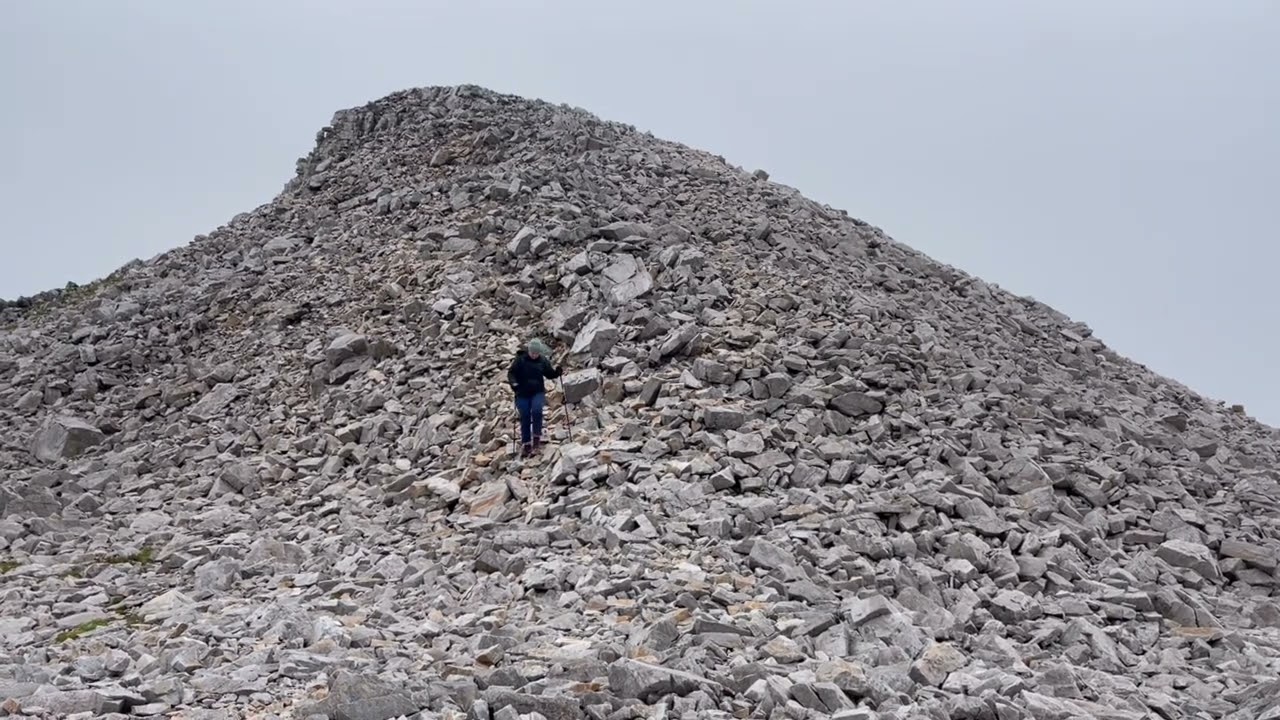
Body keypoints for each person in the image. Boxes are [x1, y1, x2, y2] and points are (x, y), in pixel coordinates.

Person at [507, 338, 563, 457]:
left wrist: (557, 372)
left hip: (537, 392)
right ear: (529, 351)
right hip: (521, 393)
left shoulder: (543, 361)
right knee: (525, 415)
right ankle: (527, 444)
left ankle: (536, 439)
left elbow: (549, 374)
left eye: (536, 353)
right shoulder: (520, 360)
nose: (534, 355)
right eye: (532, 353)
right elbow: (511, 373)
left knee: (537, 411)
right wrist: (513, 384)